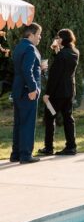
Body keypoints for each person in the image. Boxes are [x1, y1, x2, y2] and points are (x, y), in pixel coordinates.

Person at [39, 28, 79, 156]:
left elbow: (55, 76)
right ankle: (71, 146)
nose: (56, 39)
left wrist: (47, 94)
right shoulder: (74, 52)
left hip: (56, 94)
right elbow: (64, 66)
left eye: (58, 37)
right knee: (68, 118)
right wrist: (57, 51)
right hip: (69, 91)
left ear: (62, 39)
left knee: (50, 117)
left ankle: (49, 147)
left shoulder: (62, 55)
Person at [10, 22, 43, 164]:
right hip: (27, 91)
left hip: (18, 90)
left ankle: (15, 154)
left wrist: (40, 68)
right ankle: (25, 155)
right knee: (27, 123)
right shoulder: (30, 48)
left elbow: (24, 69)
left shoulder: (19, 47)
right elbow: (26, 70)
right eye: (38, 34)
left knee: (19, 123)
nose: (40, 37)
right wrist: (32, 89)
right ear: (31, 34)